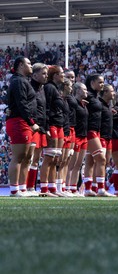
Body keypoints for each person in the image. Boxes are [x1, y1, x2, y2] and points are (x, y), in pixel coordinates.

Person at [6, 56, 39, 197]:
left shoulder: (21, 80)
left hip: (23, 121)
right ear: (20, 65)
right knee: (18, 156)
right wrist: (31, 122)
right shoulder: (18, 81)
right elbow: (21, 103)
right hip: (19, 121)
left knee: (26, 157)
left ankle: (22, 188)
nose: (31, 66)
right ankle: (14, 190)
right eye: (29, 64)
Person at [40, 65, 65, 196]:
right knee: (49, 158)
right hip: (53, 124)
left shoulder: (56, 88)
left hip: (59, 124)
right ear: (55, 75)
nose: (63, 76)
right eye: (61, 73)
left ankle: (52, 188)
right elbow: (46, 107)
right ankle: (44, 189)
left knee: (55, 159)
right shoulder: (49, 87)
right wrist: (47, 126)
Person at [85, 73, 110, 197]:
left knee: (90, 161)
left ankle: (88, 189)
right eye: (100, 82)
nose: (102, 84)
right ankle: (101, 189)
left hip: (96, 130)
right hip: (90, 130)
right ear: (92, 83)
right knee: (101, 159)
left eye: (103, 82)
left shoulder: (95, 96)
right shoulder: (88, 96)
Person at [26, 63, 49, 196]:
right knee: (29, 158)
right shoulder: (30, 88)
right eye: (43, 74)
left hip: (41, 128)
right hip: (32, 126)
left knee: (35, 160)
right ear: (34, 75)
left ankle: (30, 187)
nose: (46, 76)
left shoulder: (42, 89)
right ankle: (23, 186)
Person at [69, 82, 89, 195]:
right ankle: (68, 187)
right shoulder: (74, 103)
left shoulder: (83, 104)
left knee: (78, 165)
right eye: (84, 89)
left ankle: (73, 188)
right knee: (72, 165)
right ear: (77, 91)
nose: (86, 92)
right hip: (76, 136)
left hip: (84, 136)